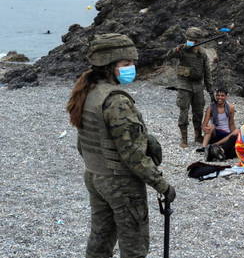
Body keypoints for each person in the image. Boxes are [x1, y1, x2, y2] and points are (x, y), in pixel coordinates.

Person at [67, 33, 175, 257]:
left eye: (133, 63)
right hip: (121, 183)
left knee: (100, 238)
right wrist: (162, 185)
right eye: (126, 64)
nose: (132, 67)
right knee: (134, 244)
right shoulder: (116, 100)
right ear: (109, 66)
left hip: (95, 176)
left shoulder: (88, 92)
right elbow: (133, 155)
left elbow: (83, 144)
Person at [165, 26, 214, 148]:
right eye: (191, 40)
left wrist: (210, 91)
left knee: (198, 112)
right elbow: (168, 56)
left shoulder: (202, 54)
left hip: (198, 86)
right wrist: (176, 50)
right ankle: (184, 138)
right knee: (184, 111)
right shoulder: (182, 50)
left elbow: (207, 73)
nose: (194, 42)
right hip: (184, 85)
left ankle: (198, 136)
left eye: (196, 40)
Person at [198, 87, 238, 157]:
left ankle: (215, 144)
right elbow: (204, 124)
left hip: (226, 133)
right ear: (215, 96)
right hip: (215, 133)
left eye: (222, 96)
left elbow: (231, 123)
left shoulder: (231, 107)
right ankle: (204, 147)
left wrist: (234, 134)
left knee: (237, 131)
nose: (220, 98)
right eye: (218, 95)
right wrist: (205, 128)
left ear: (226, 96)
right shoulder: (211, 107)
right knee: (211, 125)